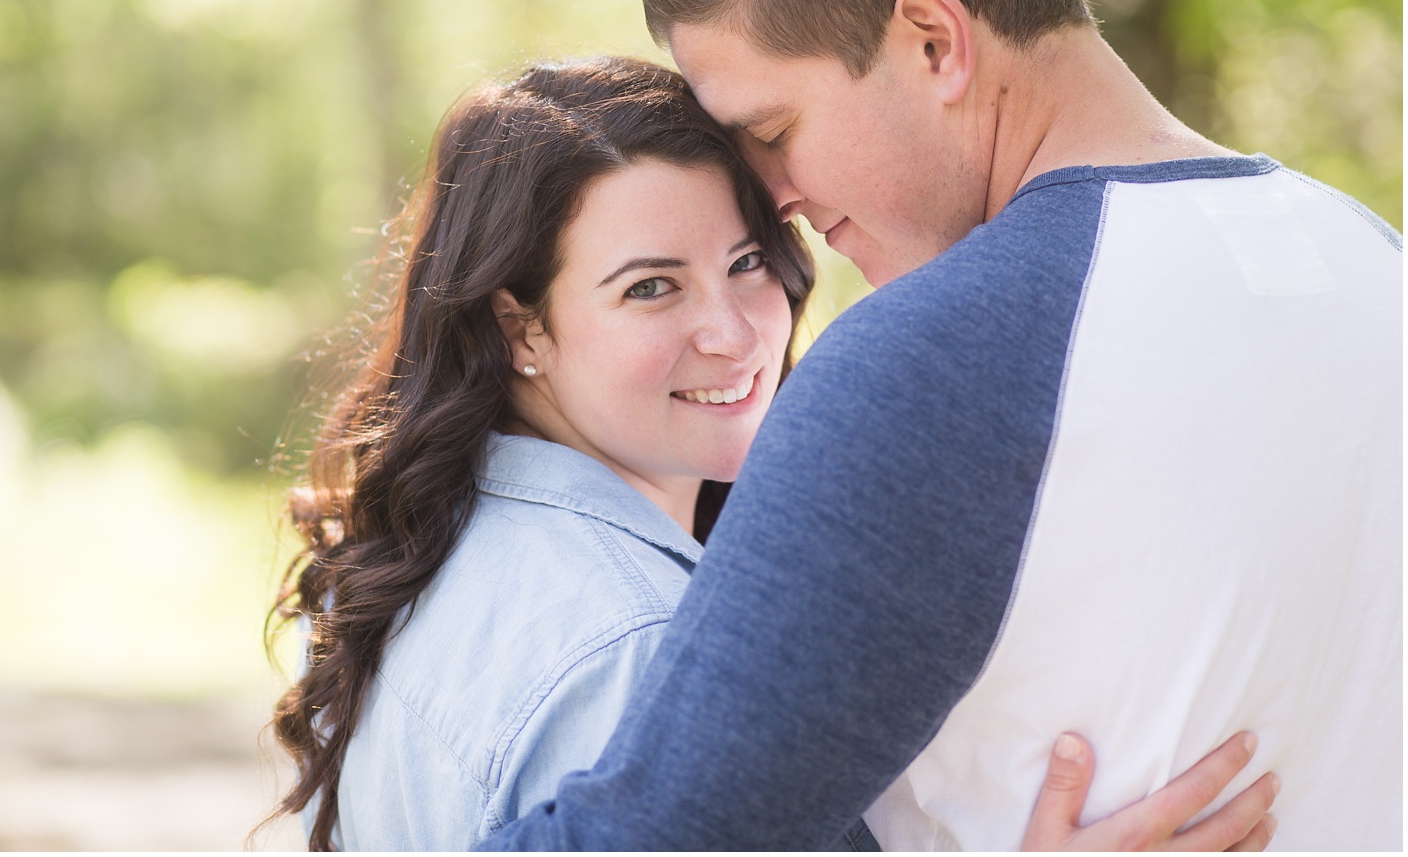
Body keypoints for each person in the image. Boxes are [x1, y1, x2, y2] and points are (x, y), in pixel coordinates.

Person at [478, 0, 1402, 852]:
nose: (772, 198)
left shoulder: (933, 362)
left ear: (934, 42)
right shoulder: (1371, 260)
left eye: (774, 130)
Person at [266, 57, 1275, 851]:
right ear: (520, 327)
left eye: (748, 262)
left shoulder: (431, 559)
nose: (737, 331)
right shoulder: (636, 654)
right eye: (651, 287)